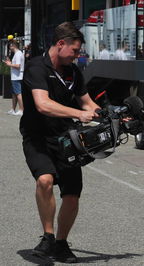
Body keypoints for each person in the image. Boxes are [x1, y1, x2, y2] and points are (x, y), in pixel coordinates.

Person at [20, 22, 100, 263]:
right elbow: (43, 104)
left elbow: (88, 104)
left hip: (67, 139)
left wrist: (112, 115)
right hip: (38, 138)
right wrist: (77, 114)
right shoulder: (36, 67)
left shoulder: (73, 72)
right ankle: (48, 237)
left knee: (72, 195)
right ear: (61, 44)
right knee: (45, 180)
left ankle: (61, 244)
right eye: (75, 51)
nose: (77, 55)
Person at [4, 40, 24, 115]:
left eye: (10, 45)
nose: (9, 47)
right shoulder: (17, 54)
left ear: (14, 45)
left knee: (18, 93)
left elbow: (18, 66)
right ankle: (13, 109)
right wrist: (10, 63)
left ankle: (21, 110)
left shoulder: (18, 54)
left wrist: (10, 64)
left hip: (17, 77)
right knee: (14, 93)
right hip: (15, 76)